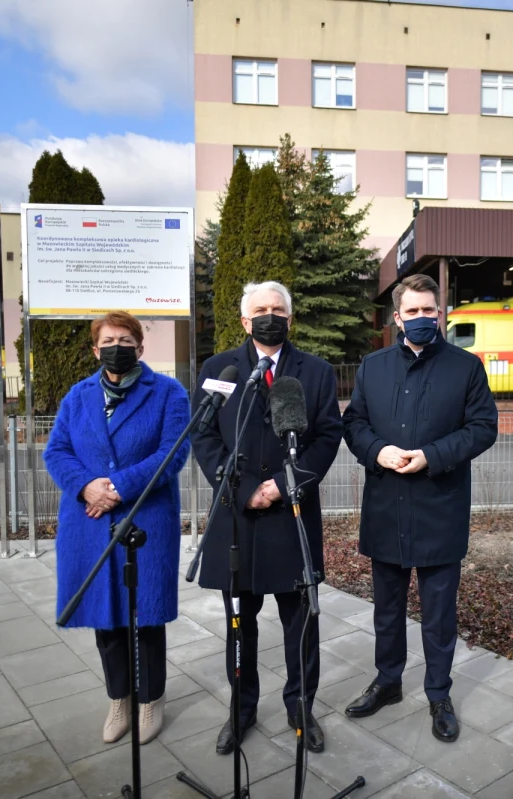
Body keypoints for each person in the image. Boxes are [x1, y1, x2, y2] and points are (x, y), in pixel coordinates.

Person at [341, 273, 498, 743]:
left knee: (438, 614)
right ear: (397, 318)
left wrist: (433, 455)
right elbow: (355, 423)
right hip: (387, 507)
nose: (422, 318)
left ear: (440, 312)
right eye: (412, 312)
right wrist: (378, 451)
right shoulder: (372, 366)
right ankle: (388, 682)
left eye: (430, 310)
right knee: (387, 611)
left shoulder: (466, 367)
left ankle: (438, 694)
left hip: (439, 508)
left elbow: (483, 427)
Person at [192, 281, 343, 754]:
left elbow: (327, 437)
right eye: (260, 309)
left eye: (278, 309)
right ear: (244, 320)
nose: (269, 316)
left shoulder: (315, 373)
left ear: (290, 319)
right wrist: (239, 490)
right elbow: (203, 435)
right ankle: (242, 710)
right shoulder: (220, 368)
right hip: (237, 521)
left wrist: (283, 483)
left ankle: (301, 707)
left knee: (301, 624)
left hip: (291, 516)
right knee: (241, 625)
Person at [45, 311, 191, 746]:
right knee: (106, 620)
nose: (117, 347)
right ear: (95, 349)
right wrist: (86, 487)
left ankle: (151, 700)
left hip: (145, 517)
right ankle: (119, 699)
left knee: (146, 614)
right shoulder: (77, 396)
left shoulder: (168, 392)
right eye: (108, 340)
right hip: (88, 520)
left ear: (140, 348)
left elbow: (174, 452)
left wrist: (119, 486)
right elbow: (57, 451)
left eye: (126, 340)